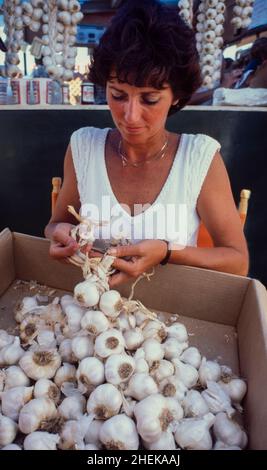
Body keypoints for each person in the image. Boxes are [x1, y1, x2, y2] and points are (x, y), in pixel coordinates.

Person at [45, 0, 248, 287]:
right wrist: (61, 235)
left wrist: (167, 252)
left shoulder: (198, 159)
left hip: (170, 319)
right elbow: (54, 225)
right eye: (117, 95)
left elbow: (237, 262)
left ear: (176, 96)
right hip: (89, 312)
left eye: (149, 99)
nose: (130, 115)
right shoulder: (84, 147)